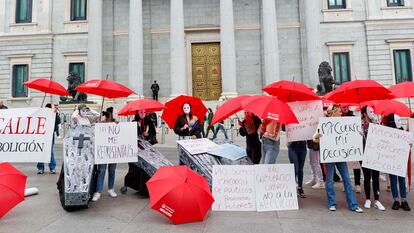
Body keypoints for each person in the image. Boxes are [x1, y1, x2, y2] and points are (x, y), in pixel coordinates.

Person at [314, 105, 363, 213]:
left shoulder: (344, 123)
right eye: (340, 112)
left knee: (347, 179)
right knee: (330, 180)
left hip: (340, 156)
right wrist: (319, 136)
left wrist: (358, 134)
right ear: (334, 112)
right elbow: (315, 138)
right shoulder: (324, 123)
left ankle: (353, 205)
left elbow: (351, 135)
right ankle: (332, 203)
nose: (341, 113)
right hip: (330, 156)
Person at [360, 106, 385, 210]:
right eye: (370, 111)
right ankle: (368, 199)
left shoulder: (376, 124)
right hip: (364, 154)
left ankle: (377, 200)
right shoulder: (359, 125)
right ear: (365, 113)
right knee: (367, 177)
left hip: (375, 155)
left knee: (375, 177)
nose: (372, 113)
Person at [384, 113, 411, 211]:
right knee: (394, 181)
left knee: (401, 180)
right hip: (392, 160)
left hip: (400, 160)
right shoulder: (387, 131)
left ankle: (403, 200)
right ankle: (396, 200)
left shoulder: (402, 131)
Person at [92, 107, 118, 202]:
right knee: (101, 170)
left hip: (113, 151)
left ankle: (111, 189)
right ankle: (98, 191)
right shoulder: (102, 123)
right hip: (103, 151)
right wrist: (98, 125)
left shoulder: (116, 123)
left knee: (112, 170)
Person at [341, 105, 362, 193]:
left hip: (353, 145)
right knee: (343, 166)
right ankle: (346, 184)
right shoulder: (337, 118)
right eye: (343, 107)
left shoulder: (354, 118)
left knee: (356, 165)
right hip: (342, 144)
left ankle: (357, 184)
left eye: (346, 107)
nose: (345, 108)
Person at [37, 103, 60, 174]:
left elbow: (58, 121)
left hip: (50, 134)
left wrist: (55, 113)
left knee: (50, 152)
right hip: (42, 135)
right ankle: (41, 168)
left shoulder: (54, 114)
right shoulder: (42, 114)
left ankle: (51, 168)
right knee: (42, 151)